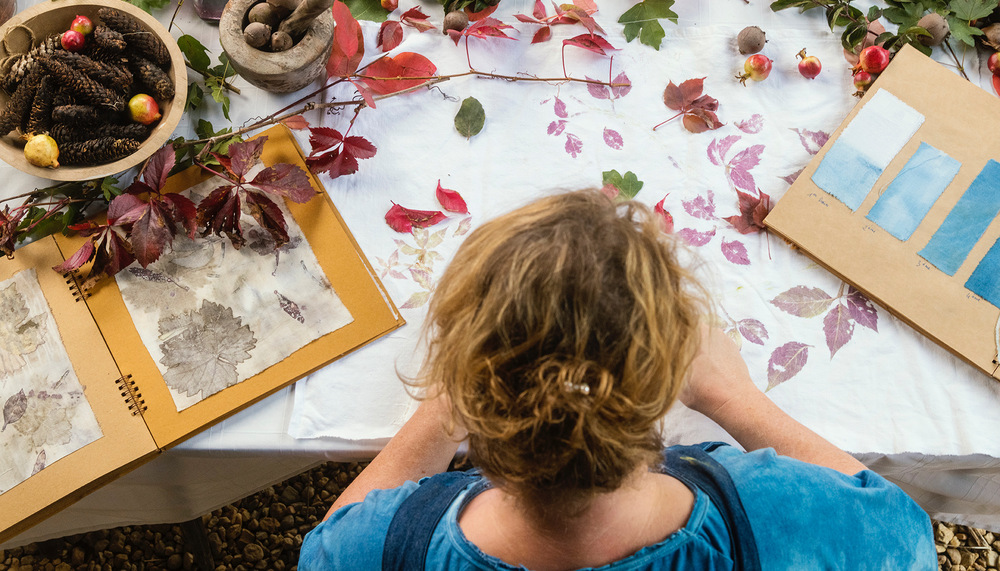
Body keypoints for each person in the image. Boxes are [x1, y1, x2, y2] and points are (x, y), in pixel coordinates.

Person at [299, 189, 937, 570]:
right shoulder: (775, 519)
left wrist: (444, 409)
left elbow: (327, 549)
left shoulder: (385, 550)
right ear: (664, 381)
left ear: (472, 384)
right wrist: (736, 399)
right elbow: (902, 533)